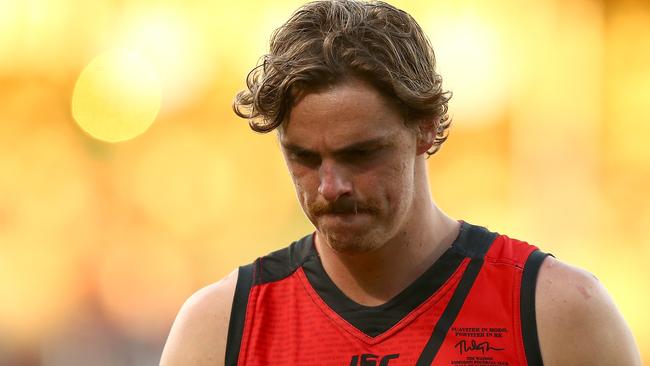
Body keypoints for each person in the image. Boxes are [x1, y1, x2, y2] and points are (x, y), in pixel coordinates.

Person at [160, 1, 641, 365]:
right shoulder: (221, 328)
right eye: (303, 157)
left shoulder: (555, 314)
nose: (330, 187)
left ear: (425, 128)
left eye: (360, 153)